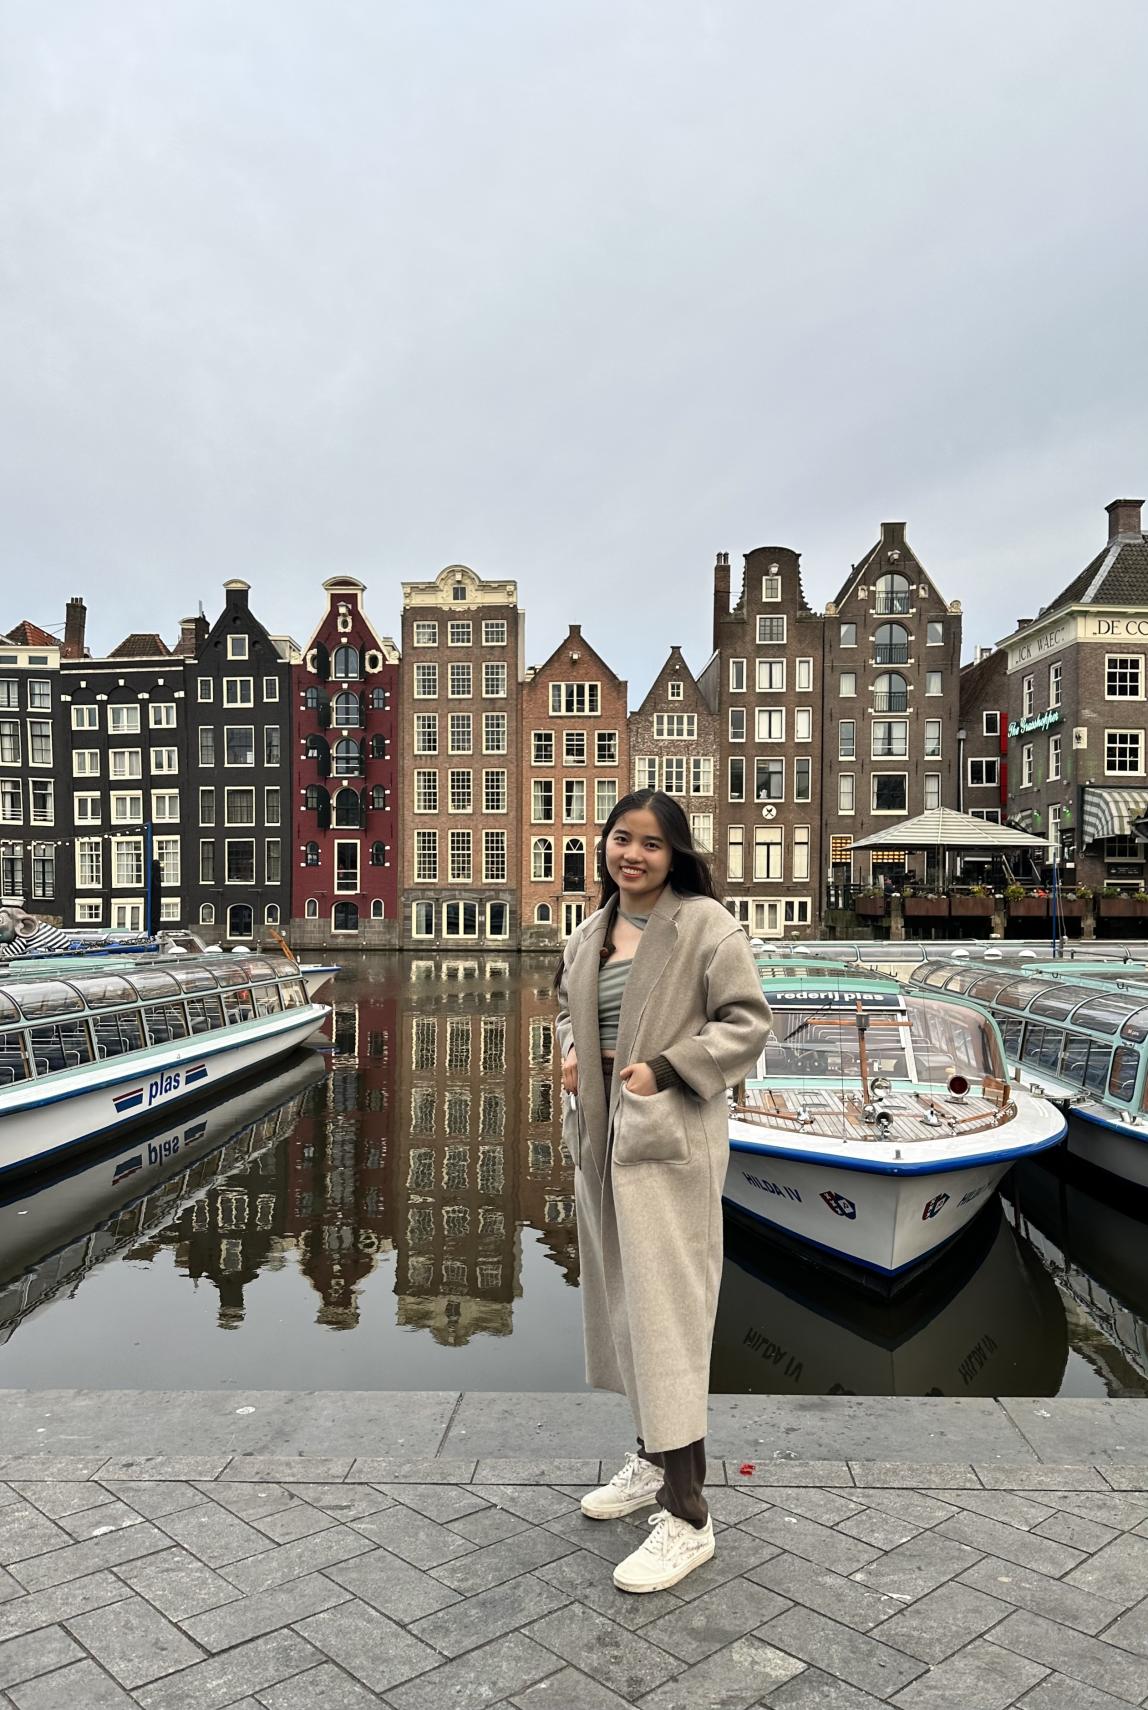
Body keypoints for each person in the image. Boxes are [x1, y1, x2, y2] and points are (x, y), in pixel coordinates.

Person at [555, 789, 772, 1594]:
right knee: (624, 1310)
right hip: (604, 1142)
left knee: (668, 1321)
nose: (633, 855)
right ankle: (651, 1462)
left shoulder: (705, 925)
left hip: (667, 1142)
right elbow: (570, 1017)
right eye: (622, 839)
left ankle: (689, 1516)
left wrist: (666, 1067)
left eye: (651, 844)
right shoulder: (585, 935)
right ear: (605, 845)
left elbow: (747, 1022)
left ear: (675, 854)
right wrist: (574, 1054)